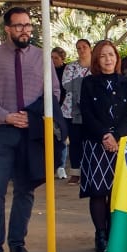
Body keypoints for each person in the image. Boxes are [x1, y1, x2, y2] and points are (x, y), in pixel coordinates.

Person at [0, 7, 62, 252]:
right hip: (1, 132)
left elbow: (54, 93)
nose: (25, 30)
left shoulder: (41, 57)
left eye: (28, 26)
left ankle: (17, 243)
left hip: (30, 133)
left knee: (25, 190)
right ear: (8, 29)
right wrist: (5, 116)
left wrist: (34, 118)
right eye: (19, 26)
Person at [79, 40, 127, 252]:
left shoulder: (126, 83)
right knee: (97, 191)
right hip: (95, 143)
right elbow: (87, 114)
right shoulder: (89, 83)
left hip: (120, 143)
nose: (108, 59)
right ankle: (100, 234)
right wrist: (104, 135)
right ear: (96, 59)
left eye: (111, 55)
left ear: (117, 58)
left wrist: (116, 135)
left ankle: (114, 233)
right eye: (103, 56)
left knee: (116, 190)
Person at [61, 39, 92, 185]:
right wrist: (85, 85)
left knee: (90, 142)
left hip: (91, 111)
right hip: (72, 111)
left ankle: (89, 172)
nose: (82, 50)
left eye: (84, 47)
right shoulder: (71, 67)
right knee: (75, 142)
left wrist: (81, 84)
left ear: (90, 48)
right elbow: (67, 84)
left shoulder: (96, 67)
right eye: (78, 48)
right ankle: (75, 173)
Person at [51, 46, 69, 179]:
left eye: (56, 58)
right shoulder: (45, 70)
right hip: (48, 107)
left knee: (61, 138)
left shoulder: (67, 70)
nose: (53, 60)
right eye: (51, 57)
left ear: (62, 58)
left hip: (63, 108)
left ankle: (61, 166)